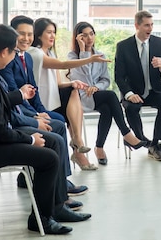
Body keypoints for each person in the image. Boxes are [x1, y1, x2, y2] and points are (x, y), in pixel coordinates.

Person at [0, 25, 90, 235]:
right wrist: (31, 140)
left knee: (53, 141)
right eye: (14, 50)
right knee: (49, 158)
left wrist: (19, 97)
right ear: (4, 51)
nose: (15, 55)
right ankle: (41, 219)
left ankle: (56, 206)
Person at [0, 16, 88, 196]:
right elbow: (15, 97)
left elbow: (33, 92)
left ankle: (53, 179)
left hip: (29, 110)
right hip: (17, 116)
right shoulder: (7, 60)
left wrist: (40, 111)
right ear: (11, 34)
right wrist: (34, 117)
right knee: (57, 126)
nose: (26, 38)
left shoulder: (27, 58)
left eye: (29, 34)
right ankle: (59, 183)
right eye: (21, 34)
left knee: (59, 120)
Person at [29, 17, 107, 171]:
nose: (52, 36)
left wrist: (72, 83)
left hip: (53, 101)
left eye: (54, 32)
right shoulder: (36, 53)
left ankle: (77, 141)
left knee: (73, 89)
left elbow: (58, 84)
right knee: (73, 97)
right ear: (38, 35)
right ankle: (78, 145)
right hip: (40, 103)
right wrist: (88, 58)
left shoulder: (50, 52)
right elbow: (63, 65)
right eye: (49, 32)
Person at [68, 21, 146, 165]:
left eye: (91, 34)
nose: (89, 38)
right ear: (78, 38)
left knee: (107, 109)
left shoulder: (100, 55)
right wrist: (83, 51)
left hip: (97, 94)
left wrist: (96, 87)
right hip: (81, 97)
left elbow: (106, 80)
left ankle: (99, 148)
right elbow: (84, 76)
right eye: (84, 36)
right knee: (111, 96)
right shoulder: (72, 57)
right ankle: (126, 133)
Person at [114, 10, 161, 161]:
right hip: (133, 92)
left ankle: (154, 143)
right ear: (137, 25)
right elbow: (118, 76)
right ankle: (142, 140)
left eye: (152, 25)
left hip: (154, 90)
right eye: (146, 25)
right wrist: (129, 94)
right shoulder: (123, 46)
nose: (150, 28)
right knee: (131, 108)